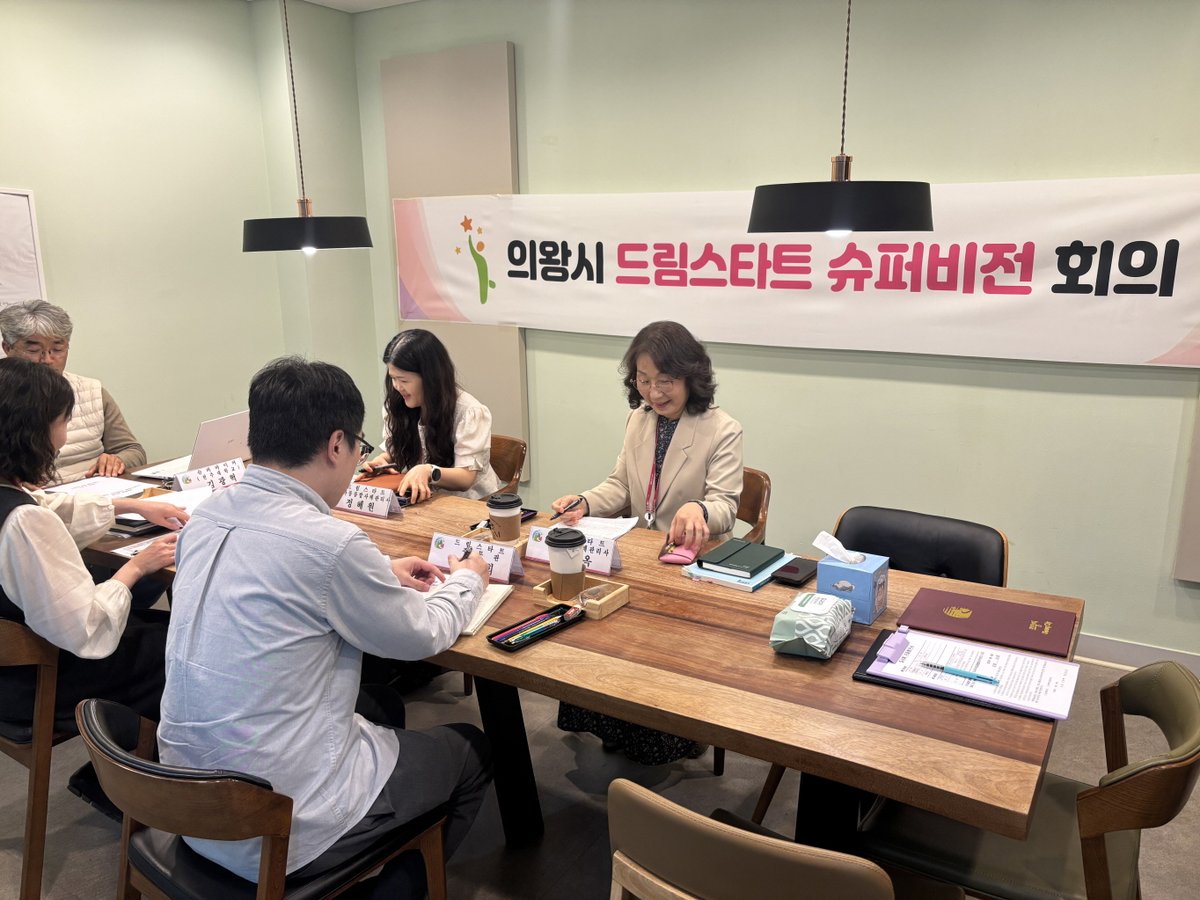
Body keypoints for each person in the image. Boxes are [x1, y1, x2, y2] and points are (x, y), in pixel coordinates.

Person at [158, 356, 493, 894]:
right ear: (338, 444)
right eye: (360, 447)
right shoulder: (329, 543)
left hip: (182, 797)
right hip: (276, 819)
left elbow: (281, 572)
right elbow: (422, 635)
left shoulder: (208, 517)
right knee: (470, 750)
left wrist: (376, 571)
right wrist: (469, 580)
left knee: (379, 705)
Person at [551, 321, 744, 764]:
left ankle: (676, 736)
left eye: (665, 380)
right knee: (596, 627)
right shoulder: (638, 419)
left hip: (691, 569)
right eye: (643, 380)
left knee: (658, 651)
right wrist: (584, 502)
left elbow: (726, 506)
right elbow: (621, 486)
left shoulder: (722, 429)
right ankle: (610, 722)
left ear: (691, 376)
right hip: (640, 557)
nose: (654, 392)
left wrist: (699, 509)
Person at [0, 357, 186, 813]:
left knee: (158, 629)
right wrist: (137, 566)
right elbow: (87, 629)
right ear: (34, 431)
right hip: (39, 682)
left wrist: (133, 506)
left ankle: (122, 766)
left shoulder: (15, 501)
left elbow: (50, 507)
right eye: (61, 422)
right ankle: (133, 783)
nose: (64, 437)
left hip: (12, 672)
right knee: (189, 647)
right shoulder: (24, 523)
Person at [0, 299, 147, 482]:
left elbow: (132, 450)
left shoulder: (92, 392)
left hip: (93, 490)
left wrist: (117, 460)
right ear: (7, 348)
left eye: (57, 349)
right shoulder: (4, 396)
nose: (47, 360)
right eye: (34, 350)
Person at [360, 329, 502, 503]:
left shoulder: (469, 411)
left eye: (403, 380)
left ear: (430, 378)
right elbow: (396, 450)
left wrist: (429, 471)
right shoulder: (397, 404)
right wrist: (383, 461)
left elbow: (465, 478)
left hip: (472, 503)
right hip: (425, 500)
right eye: (393, 378)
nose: (397, 387)